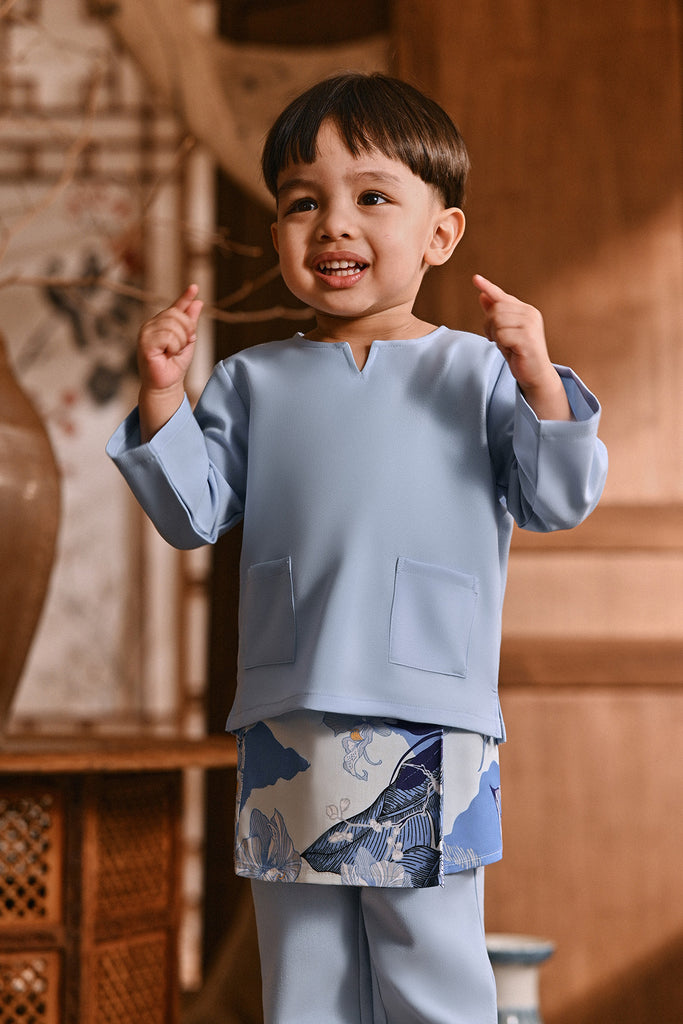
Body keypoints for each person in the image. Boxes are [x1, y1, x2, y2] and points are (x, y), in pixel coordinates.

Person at [107, 72, 607, 1024]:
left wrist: (539, 376)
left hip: (430, 714)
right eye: (303, 203)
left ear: (440, 235)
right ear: (277, 236)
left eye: (372, 196)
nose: (333, 223)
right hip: (287, 711)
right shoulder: (250, 381)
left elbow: (557, 498)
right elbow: (189, 515)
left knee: (430, 962)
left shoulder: (477, 371)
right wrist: (165, 397)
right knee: (304, 976)